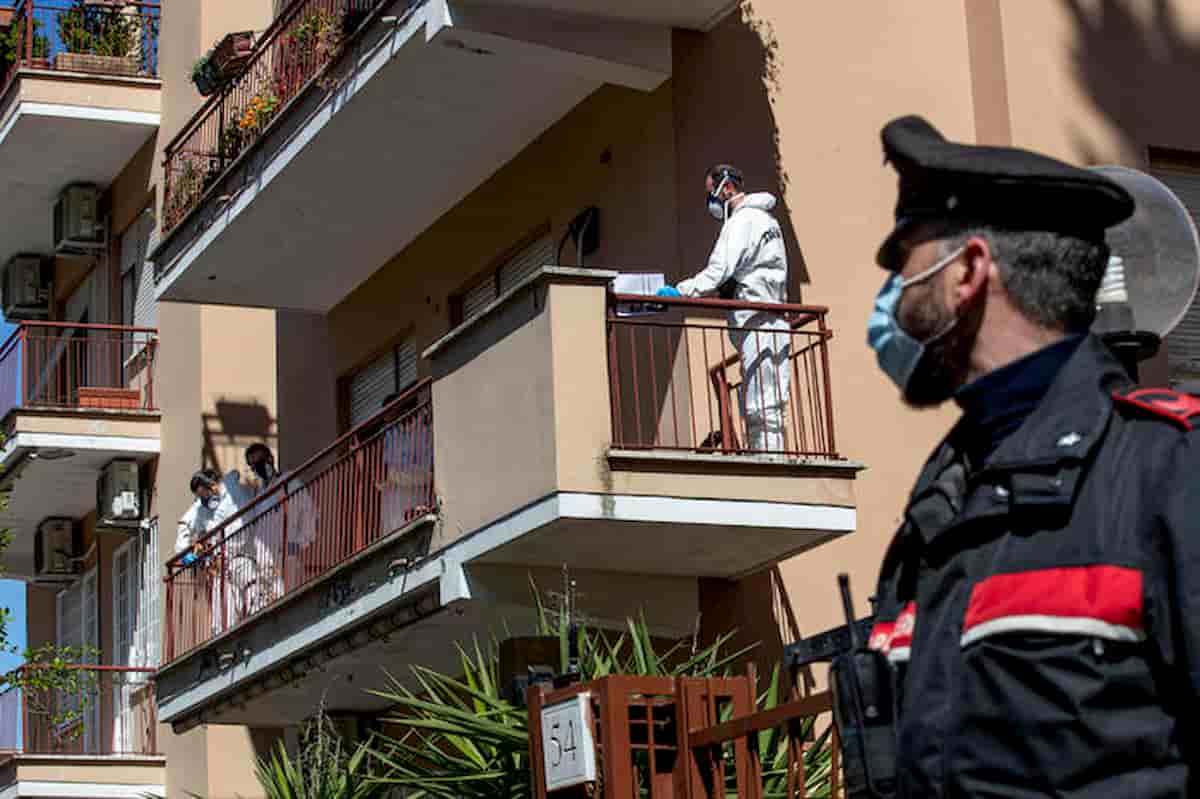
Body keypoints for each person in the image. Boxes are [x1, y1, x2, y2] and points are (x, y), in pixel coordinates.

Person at [859, 115, 1196, 796]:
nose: (895, 286)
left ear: (970, 272)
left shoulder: (1167, 472)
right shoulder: (936, 512)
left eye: (910, 256)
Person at [658, 164, 791, 452]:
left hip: (756, 321)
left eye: (711, 195)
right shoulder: (769, 222)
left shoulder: (740, 222)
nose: (711, 203)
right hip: (778, 319)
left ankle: (768, 468)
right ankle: (775, 461)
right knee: (774, 400)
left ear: (726, 188)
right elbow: (761, 268)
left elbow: (717, 270)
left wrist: (679, 291)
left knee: (759, 404)